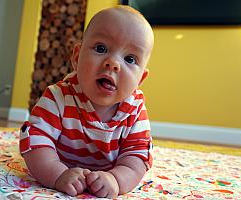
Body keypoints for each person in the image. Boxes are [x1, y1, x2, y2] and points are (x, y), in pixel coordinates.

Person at [19, 5, 154, 198]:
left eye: (130, 59)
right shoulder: (58, 97)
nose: (113, 63)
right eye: (101, 48)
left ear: (140, 80)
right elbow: (35, 141)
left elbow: (137, 157)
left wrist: (115, 179)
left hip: (110, 169)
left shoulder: (134, 110)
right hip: (61, 163)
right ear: (76, 57)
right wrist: (58, 174)